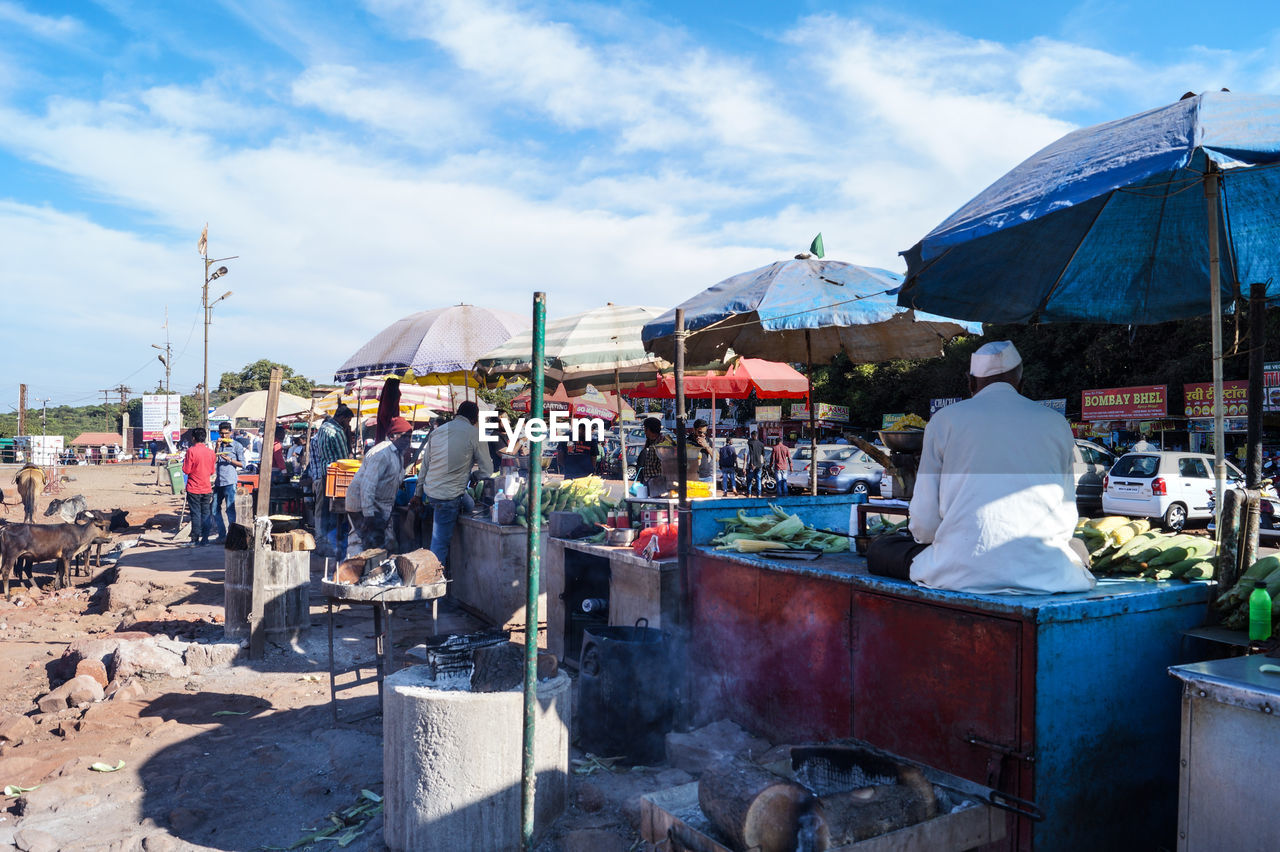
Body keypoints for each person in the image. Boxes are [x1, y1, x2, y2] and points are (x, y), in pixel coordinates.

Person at [867, 341, 1096, 595]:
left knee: (881, 548)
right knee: (1076, 548)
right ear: (1021, 384)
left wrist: (938, 542)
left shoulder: (944, 420)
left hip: (960, 569)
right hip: (1046, 570)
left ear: (970, 383)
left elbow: (925, 523)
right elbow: (1066, 516)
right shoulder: (1056, 423)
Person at [412, 401, 494, 569]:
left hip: (432, 493)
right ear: (475, 418)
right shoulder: (474, 433)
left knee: (469, 504)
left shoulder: (438, 432)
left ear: (458, 413)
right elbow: (487, 471)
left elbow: (424, 468)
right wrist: (474, 475)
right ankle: (433, 589)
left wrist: (417, 495)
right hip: (447, 498)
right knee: (439, 546)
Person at [346, 417, 413, 553]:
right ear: (392, 436)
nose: (407, 440)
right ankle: (355, 571)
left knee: (384, 544)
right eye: (404, 436)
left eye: (409, 437)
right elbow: (367, 486)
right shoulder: (382, 454)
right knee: (366, 545)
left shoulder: (398, 454)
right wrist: (368, 514)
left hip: (379, 506)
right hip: (362, 504)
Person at [308, 404, 355, 558]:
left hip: (323, 472)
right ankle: (335, 546)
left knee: (323, 511)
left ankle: (322, 542)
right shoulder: (337, 431)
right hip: (336, 476)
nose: (348, 425)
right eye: (348, 421)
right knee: (336, 513)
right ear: (342, 418)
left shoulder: (323, 428)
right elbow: (343, 460)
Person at [211, 421, 246, 542]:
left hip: (230, 481)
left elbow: (243, 464)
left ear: (230, 433)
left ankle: (232, 536)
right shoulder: (218, 445)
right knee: (214, 508)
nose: (223, 436)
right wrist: (216, 447)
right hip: (218, 481)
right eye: (221, 433)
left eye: (226, 433)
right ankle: (222, 534)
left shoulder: (237, 446)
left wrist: (230, 460)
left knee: (230, 509)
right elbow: (213, 461)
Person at [181, 427, 216, 546]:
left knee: (195, 514)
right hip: (206, 488)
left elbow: (186, 470)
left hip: (194, 487)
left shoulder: (191, 451)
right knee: (205, 514)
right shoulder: (211, 452)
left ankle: (195, 539)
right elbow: (212, 471)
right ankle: (205, 540)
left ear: (193, 438)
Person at [635, 416, 672, 494]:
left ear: (649, 429)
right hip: (649, 481)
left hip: (658, 482)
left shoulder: (662, 443)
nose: (644, 431)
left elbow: (665, 464)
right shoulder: (651, 442)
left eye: (645, 428)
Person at [688, 419, 714, 485]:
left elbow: (716, 457)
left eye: (704, 433)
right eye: (700, 432)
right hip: (692, 476)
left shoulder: (707, 440)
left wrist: (707, 446)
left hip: (706, 476)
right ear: (694, 430)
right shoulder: (688, 441)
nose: (702, 435)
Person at [745, 431, 766, 497]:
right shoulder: (761, 444)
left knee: (749, 480)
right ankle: (759, 494)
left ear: (753, 436)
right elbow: (763, 454)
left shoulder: (749, 443)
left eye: (751, 436)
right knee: (758, 479)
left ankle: (749, 493)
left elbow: (751, 454)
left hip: (752, 465)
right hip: (759, 465)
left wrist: (752, 463)